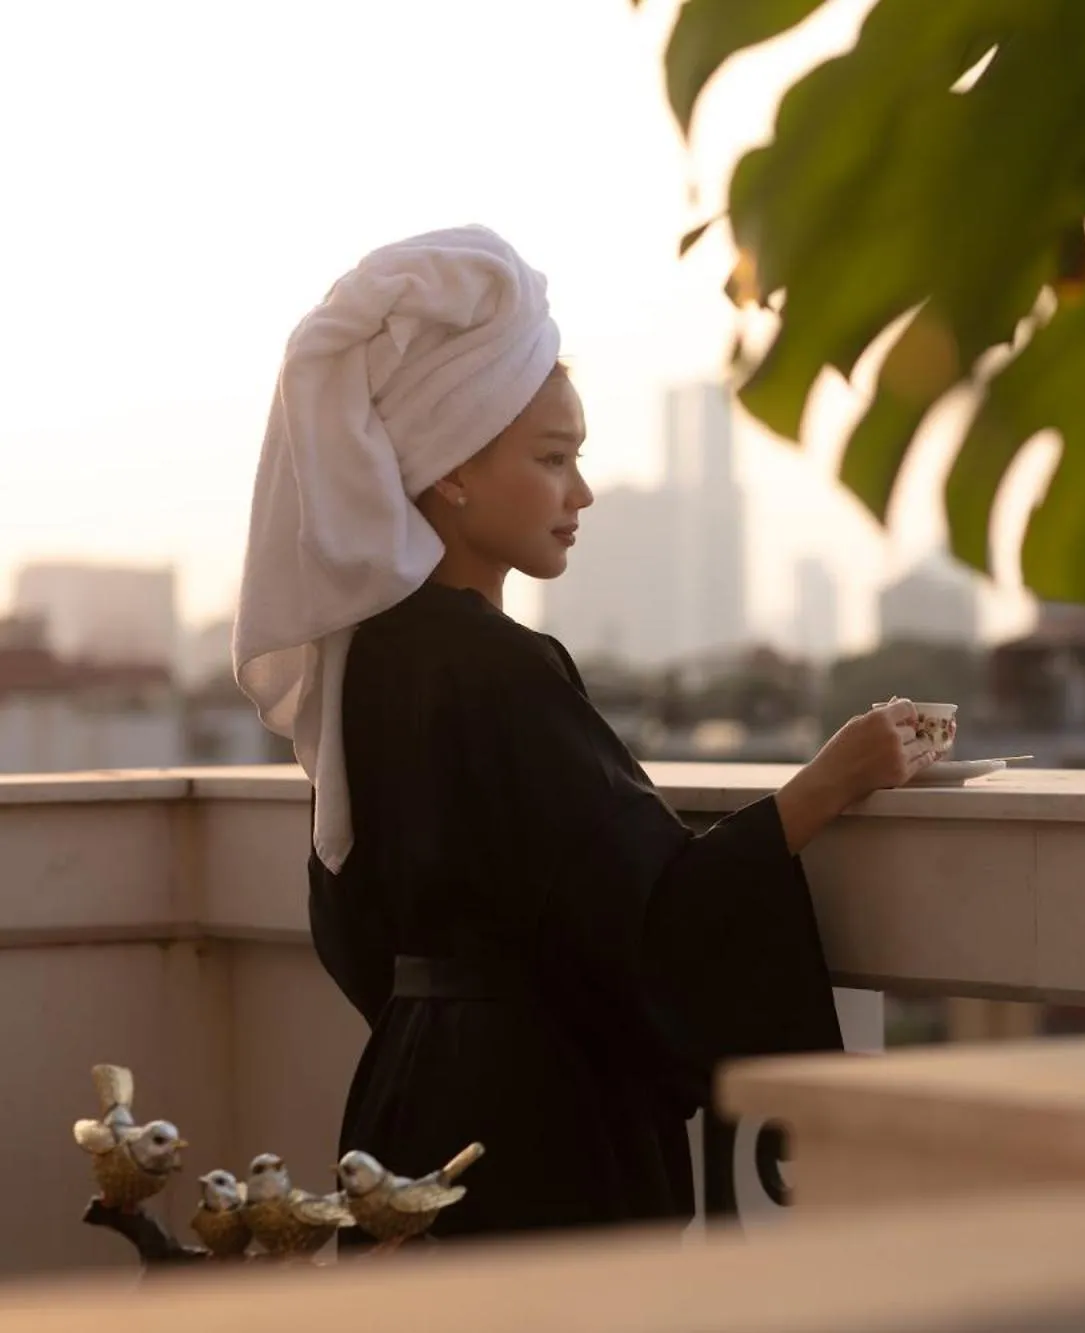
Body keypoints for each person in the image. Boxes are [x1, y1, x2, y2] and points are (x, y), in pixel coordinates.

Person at [231, 226, 937, 1240]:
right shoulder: (494, 667)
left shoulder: (370, 662)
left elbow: (358, 931)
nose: (581, 492)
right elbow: (652, 923)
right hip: (531, 1130)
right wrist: (833, 778)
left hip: (410, 1103)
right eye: (552, 458)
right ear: (451, 472)